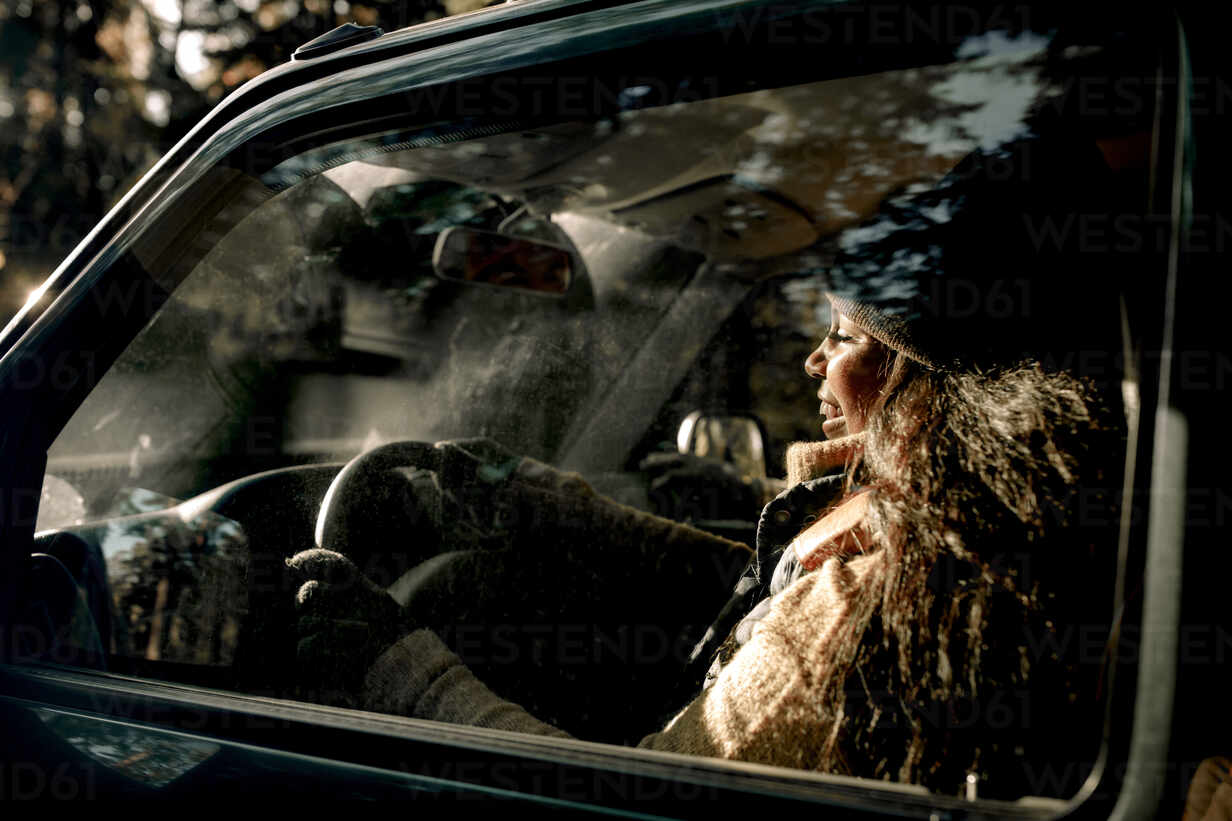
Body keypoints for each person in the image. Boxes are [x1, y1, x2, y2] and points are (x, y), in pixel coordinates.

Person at [286, 132, 1129, 799]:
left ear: (925, 380)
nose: (812, 361)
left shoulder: (861, 611)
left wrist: (399, 666)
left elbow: (627, 800)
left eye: (842, 334)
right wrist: (560, 508)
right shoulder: (981, 523)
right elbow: (762, 588)